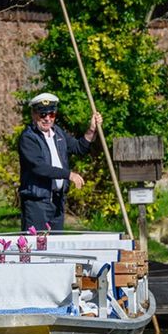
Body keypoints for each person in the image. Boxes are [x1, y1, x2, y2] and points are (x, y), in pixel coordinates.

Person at [17, 92, 102, 231]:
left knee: (56, 248)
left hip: (57, 201)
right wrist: (69, 175)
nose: (47, 119)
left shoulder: (58, 133)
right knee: (36, 248)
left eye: (52, 114)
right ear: (34, 115)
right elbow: (39, 167)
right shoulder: (28, 138)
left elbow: (78, 147)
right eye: (42, 114)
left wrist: (92, 129)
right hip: (37, 203)